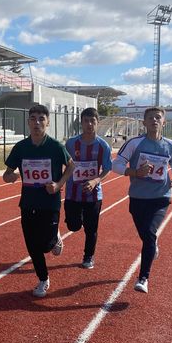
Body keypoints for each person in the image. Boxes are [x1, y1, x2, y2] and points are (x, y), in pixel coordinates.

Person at [3, 104, 74, 298]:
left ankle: (55, 238)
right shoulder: (21, 147)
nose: (37, 123)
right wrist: (12, 175)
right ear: (28, 123)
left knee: (45, 245)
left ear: (47, 122)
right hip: (28, 203)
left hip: (50, 203)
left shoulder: (55, 146)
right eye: (33, 118)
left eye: (41, 119)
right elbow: (7, 174)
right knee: (32, 245)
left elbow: (71, 166)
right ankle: (43, 279)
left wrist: (59, 185)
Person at [111, 107, 172, 294]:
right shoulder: (135, 144)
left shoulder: (170, 145)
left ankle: (143, 277)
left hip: (161, 197)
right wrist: (134, 172)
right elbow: (116, 165)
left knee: (150, 234)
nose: (154, 121)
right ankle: (152, 246)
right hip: (138, 197)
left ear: (164, 122)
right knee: (146, 235)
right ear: (144, 123)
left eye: (158, 118)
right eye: (150, 118)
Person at [64, 107, 113, 269]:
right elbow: (64, 164)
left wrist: (96, 181)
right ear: (81, 122)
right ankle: (78, 220)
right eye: (86, 121)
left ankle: (88, 256)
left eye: (93, 121)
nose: (89, 124)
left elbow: (107, 168)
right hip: (72, 193)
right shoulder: (71, 144)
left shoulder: (103, 146)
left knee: (91, 229)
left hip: (93, 195)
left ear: (97, 123)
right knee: (73, 226)